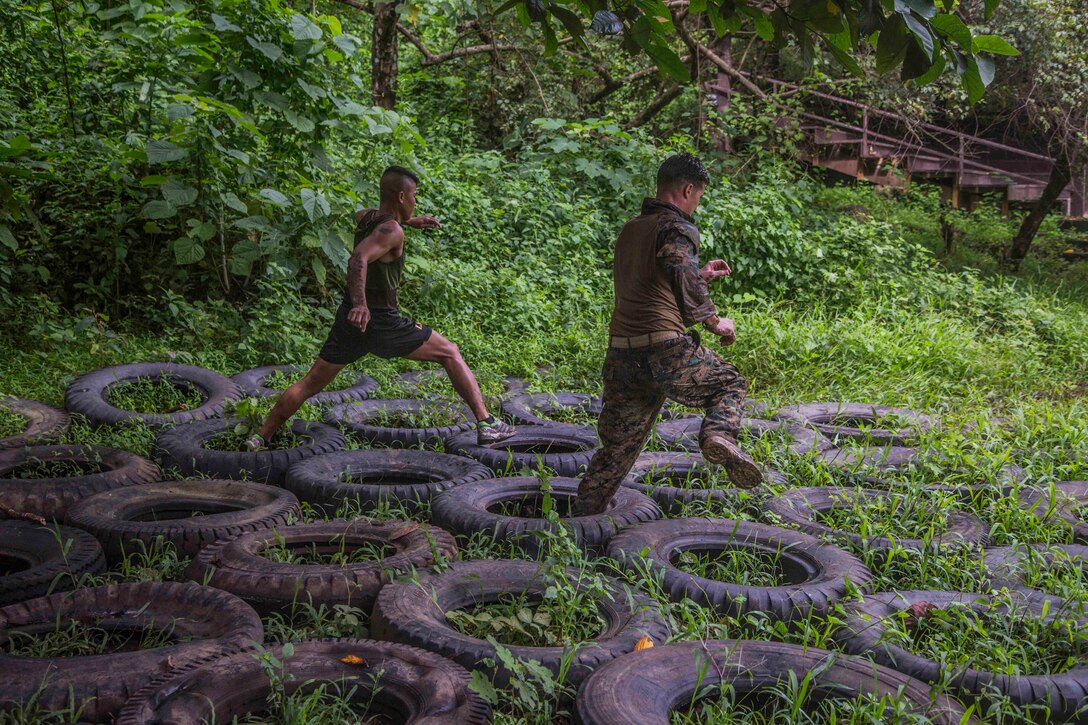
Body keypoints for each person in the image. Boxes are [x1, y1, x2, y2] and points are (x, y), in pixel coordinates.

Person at [246, 165, 515, 450]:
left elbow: (367, 218)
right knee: (450, 352)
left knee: (311, 382)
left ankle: (261, 436)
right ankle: (487, 423)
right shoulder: (391, 230)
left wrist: (409, 222)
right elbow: (358, 260)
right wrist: (362, 304)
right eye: (414, 196)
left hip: (349, 320)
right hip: (380, 320)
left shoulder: (366, 218)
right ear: (401, 196)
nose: (415, 202)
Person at [573, 152, 763, 515]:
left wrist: (698, 273)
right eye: (698, 196)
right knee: (731, 383)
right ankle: (719, 436)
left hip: (623, 358)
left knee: (616, 451)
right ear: (688, 189)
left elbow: (654, 281)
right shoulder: (677, 227)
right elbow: (678, 266)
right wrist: (713, 320)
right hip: (666, 352)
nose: (696, 204)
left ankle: (580, 522)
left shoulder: (631, 230)